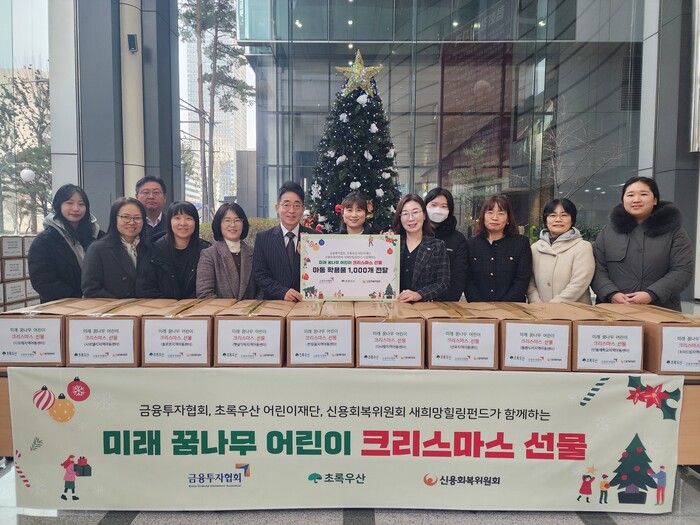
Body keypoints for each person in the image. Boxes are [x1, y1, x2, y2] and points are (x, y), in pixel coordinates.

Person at [591, 176, 693, 311]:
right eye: (630, 195)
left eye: (643, 194)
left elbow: (682, 270)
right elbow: (597, 269)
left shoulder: (674, 232)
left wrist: (651, 294)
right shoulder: (607, 232)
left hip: (661, 309)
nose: (636, 200)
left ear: (655, 199)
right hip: (613, 310)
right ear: (623, 200)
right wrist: (611, 293)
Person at [28, 184, 103, 303]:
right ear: (58, 205)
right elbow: (43, 281)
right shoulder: (44, 241)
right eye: (69, 203)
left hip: (98, 303)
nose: (76, 208)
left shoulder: (98, 236)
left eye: (81, 204)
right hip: (60, 307)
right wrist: (78, 298)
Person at [253, 181, 319, 301]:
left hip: (307, 303)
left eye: (297, 205)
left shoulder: (315, 237)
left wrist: (308, 257)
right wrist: (282, 292)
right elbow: (260, 275)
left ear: (303, 209)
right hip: (275, 303)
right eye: (286, 205)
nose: (291, 210)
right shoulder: (263, 239)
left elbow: (321, 272)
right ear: (277, 208)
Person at [82, 197, 154, 298]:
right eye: (125, 217)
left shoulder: (149, 248)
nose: (132, 222)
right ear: (114, 219)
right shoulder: (98, 249)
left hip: (146, 306)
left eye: (137, 218)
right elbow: (91, 289)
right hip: (111, 307)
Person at [464, 195, 532, 302]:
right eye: (490, 212)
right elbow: (468, 281)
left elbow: (521, 280)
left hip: (513, 309)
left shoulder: (521, 243)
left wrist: (503, 307)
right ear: (483, 216)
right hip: (478, 309)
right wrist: (480, 306)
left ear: (508, 218)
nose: (495, 217)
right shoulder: (470, 245)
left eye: (501, 213)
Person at [527, 198, 594, 304]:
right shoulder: (535, 248)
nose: (558, 219)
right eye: (552, 215)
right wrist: (536, 303)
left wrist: (553, 306)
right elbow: (530, 282)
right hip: (539, 310)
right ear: (546, 219)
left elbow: (579, 283)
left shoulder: (582, 247)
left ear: (572, 220)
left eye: (564, 215)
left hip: (575, 311)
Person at [142, 201, 210, 299]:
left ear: (196, 222)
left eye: (189, 218)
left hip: (197, 307)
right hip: (160, 307)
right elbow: (146, 288)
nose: (183, 223)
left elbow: (208, 288)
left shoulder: (206, 251)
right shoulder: (154, 250)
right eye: (177, 218)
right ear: (169, 221)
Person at [392, 194, 450, 302]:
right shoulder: (393, 244)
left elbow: (443, 283)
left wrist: (419, 294)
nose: (411, 218)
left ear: (424, 215)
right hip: (395, 305)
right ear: (400, 218)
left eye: (415, 212)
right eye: (405, 214)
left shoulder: (437, 246)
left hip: (425, 306)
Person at [197, 202, 259, 299]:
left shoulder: (254, 253)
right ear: (219, 224)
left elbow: (262, 288)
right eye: (227, 220)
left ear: (243, 224)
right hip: (219, 309)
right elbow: (204, 293)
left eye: (237, 220)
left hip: (251, 308)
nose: (233, 225)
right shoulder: (209, 255)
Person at [424, 188, 467, 301]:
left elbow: (459, 277)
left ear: (450, 210)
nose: (438, 210)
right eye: (433, 205)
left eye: (444, 206)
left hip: (445, 303)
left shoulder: (458, 239)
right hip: (415, 301)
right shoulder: (415, 234)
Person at [135, 175, 167, 241]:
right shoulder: (131, 224)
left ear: (165, 198)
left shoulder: (172, 224)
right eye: (146, 192)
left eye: (156, 192)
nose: (151, 197)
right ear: (137, 197)